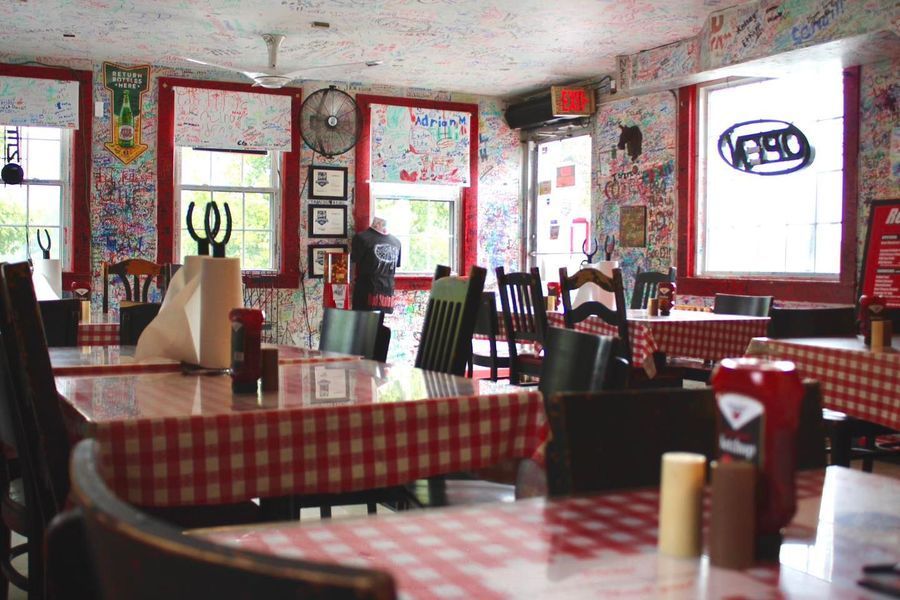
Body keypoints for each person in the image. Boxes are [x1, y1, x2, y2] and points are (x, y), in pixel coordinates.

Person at [350, 216, 401, 313]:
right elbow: (354, 261)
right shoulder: (361, 238)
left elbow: (395, 266)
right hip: (366, 291)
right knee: (362, 324)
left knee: (380, 325)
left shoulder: (397, 242)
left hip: (387, 292)